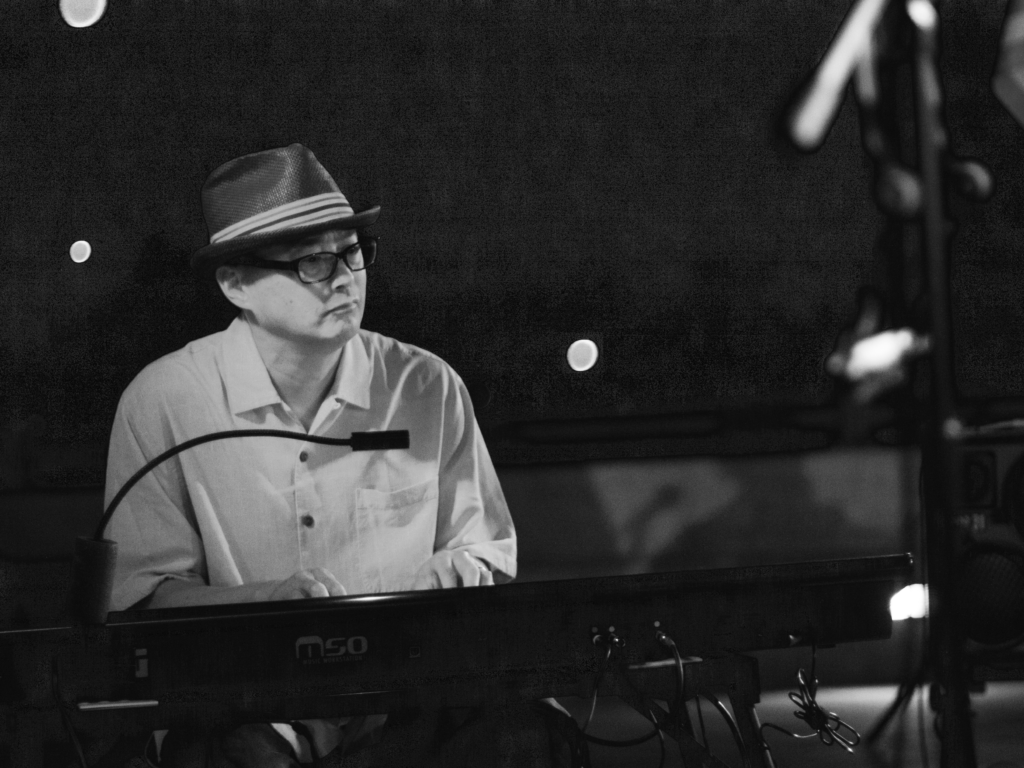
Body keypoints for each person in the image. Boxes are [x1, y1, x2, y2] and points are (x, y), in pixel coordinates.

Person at [102, 144, 521, 766]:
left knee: (527, 728)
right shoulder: (165, 400)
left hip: (405, 692)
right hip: (242, 700)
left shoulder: (425, 386)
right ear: (235, 282)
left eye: (352, 253)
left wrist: (440, 579)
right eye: (311, 263)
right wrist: (267, 603)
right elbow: (142, 595)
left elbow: (485, 548)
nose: (346, 279)